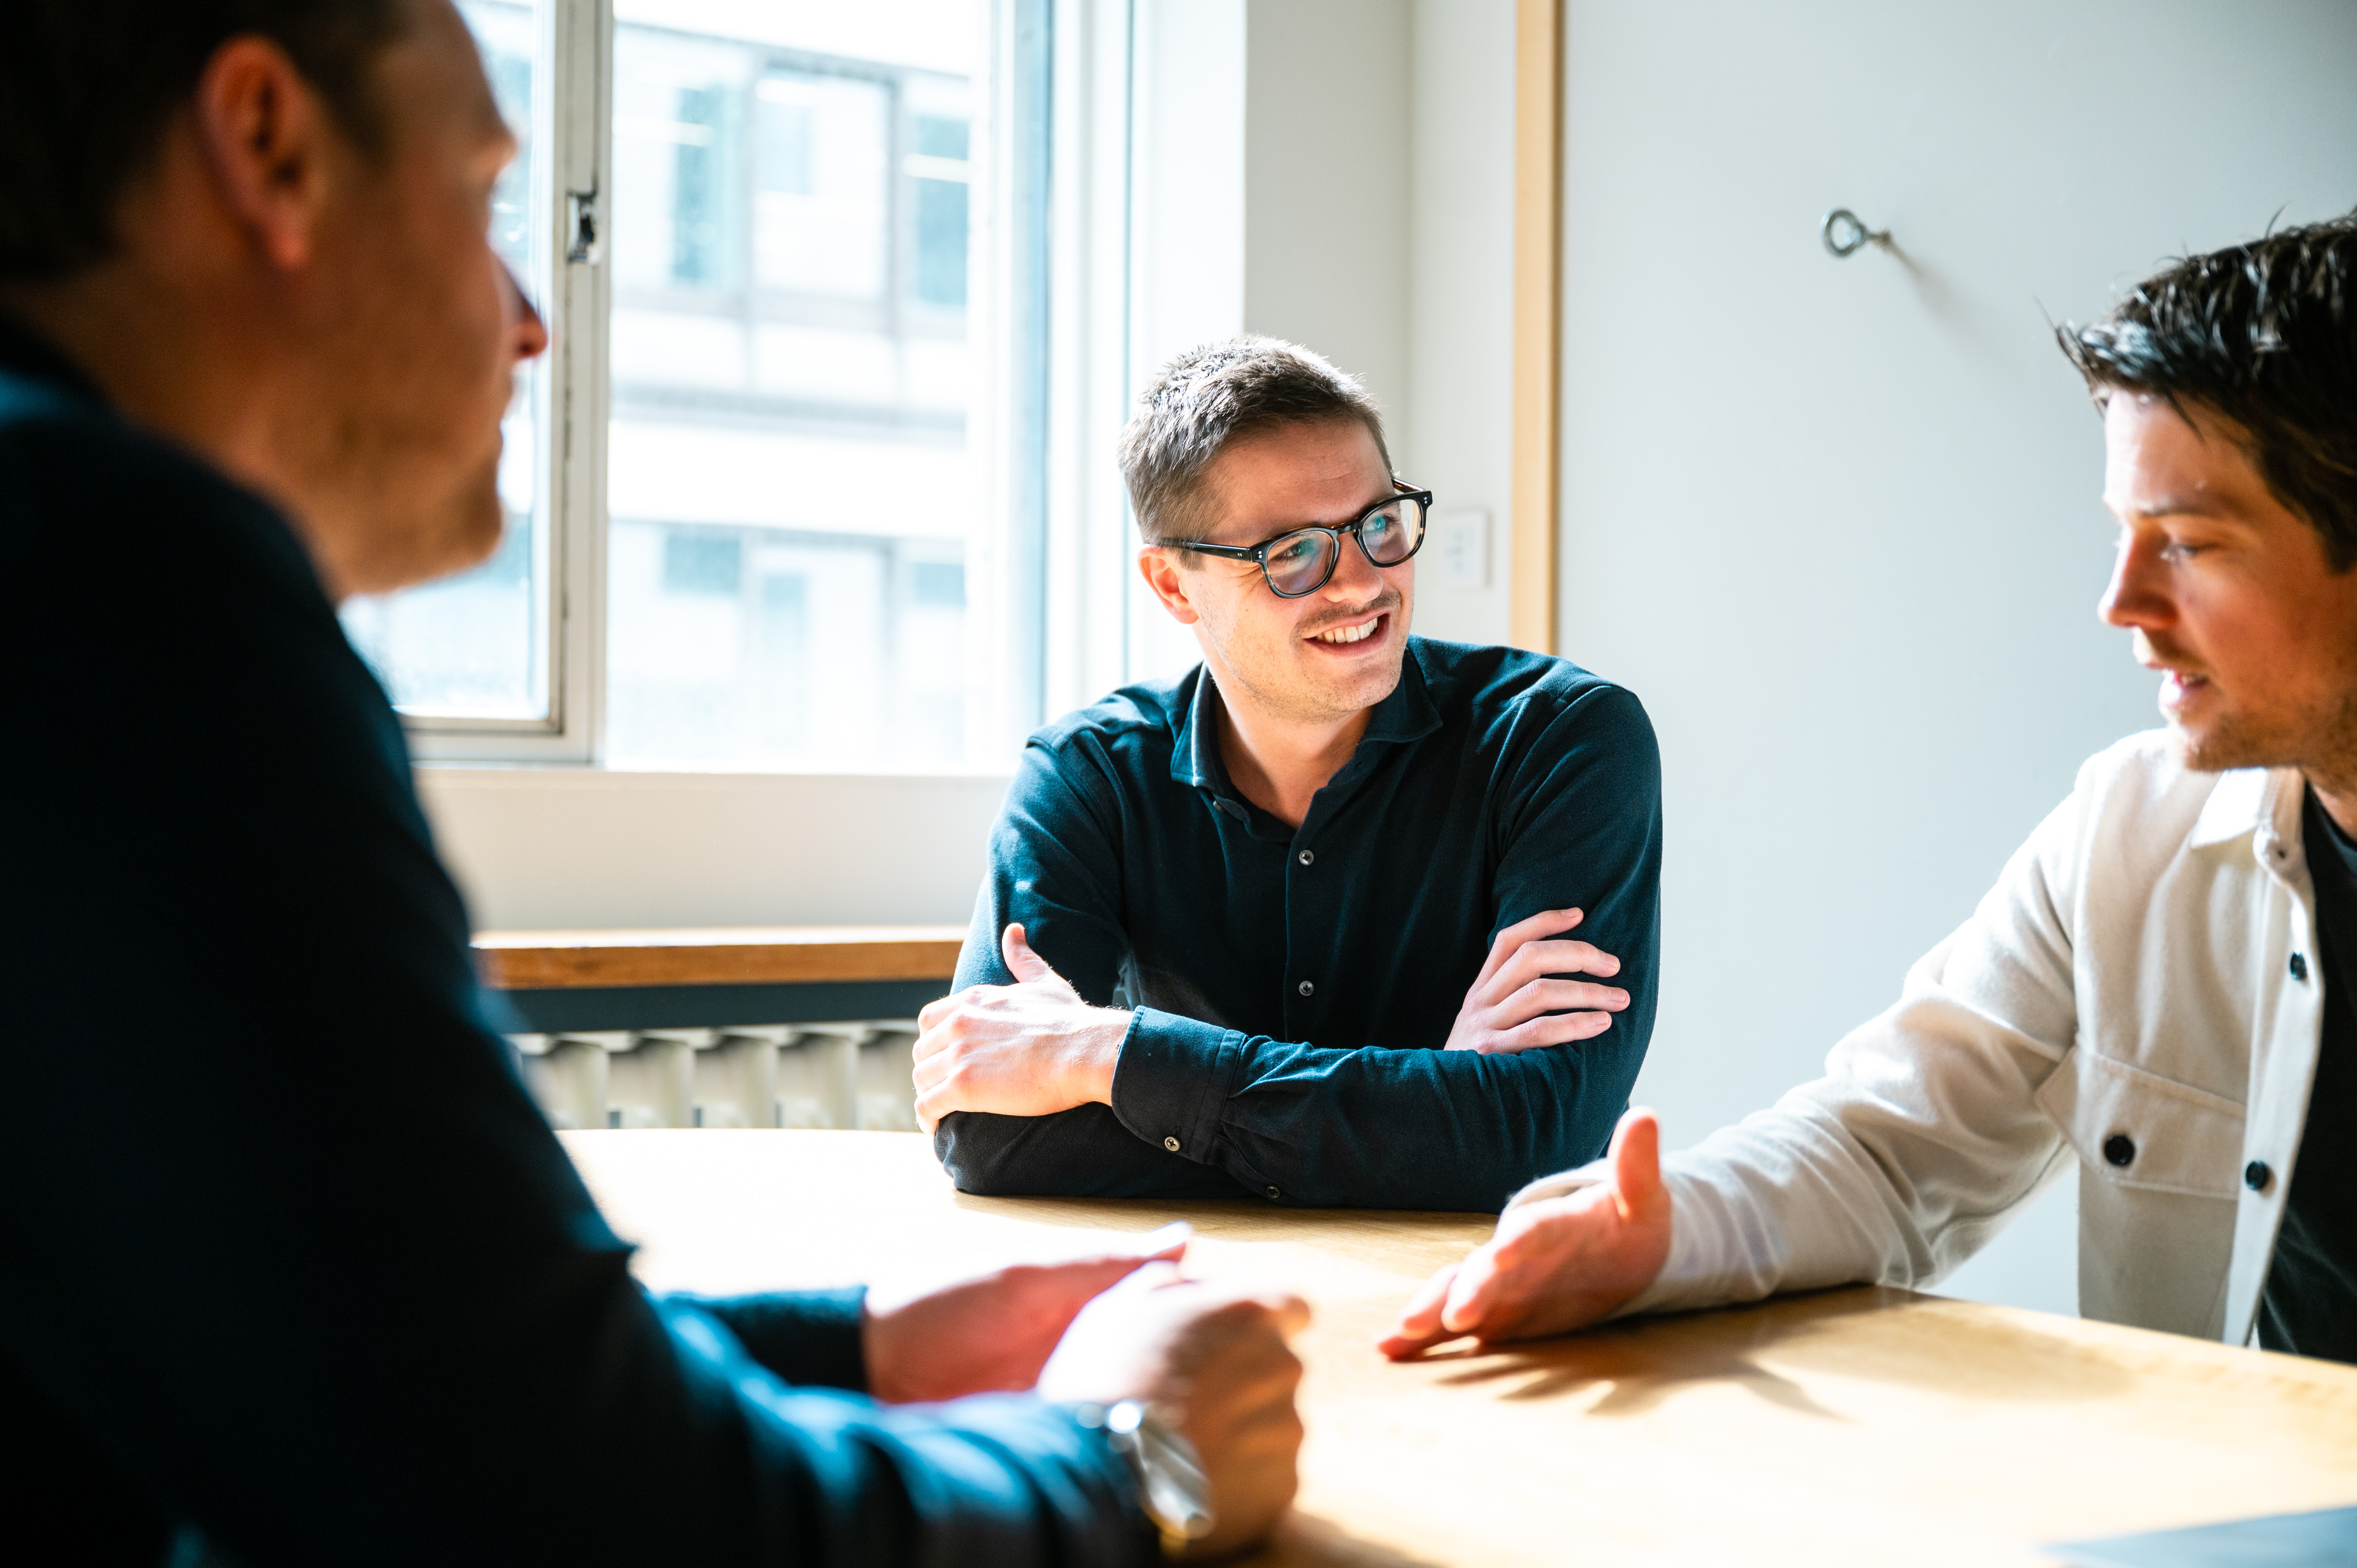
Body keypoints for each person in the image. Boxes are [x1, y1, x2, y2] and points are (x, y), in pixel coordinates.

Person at [0, 3, 1307, 1562]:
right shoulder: (115, 579)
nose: (531, 317)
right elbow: (572, 1516)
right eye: (486, 195)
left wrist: (866, 1344)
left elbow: (372, 1375)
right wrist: (1123, 1459)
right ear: (270, 146)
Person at [1381, 213, 2357, 1366]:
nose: (2121, 603)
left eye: (2188, 543)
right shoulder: (2130, 827)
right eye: (2122, 535)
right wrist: (1661, 1237)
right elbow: (1892, 1145)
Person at [914, 337, 1664, 1211]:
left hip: (1487, 1300)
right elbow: (987, 1129)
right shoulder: (1087, 778)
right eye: (1295, 552)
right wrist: (1434, 1107)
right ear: (1174, 586)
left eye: (1381, 524)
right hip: (1193, 1302)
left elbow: (1538, 1131)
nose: (1363, 583)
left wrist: (1106, 1056)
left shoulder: (1562, 740)